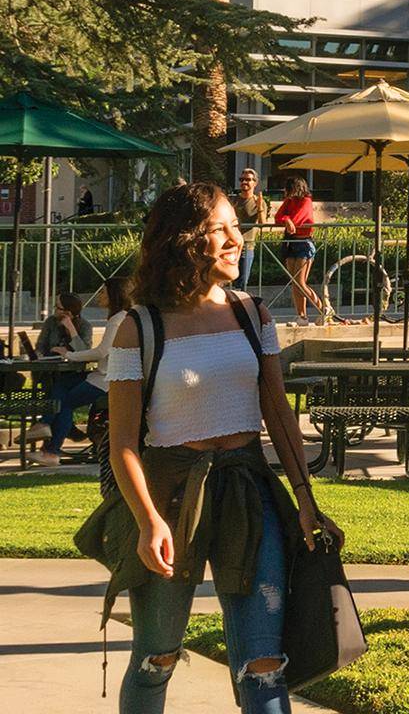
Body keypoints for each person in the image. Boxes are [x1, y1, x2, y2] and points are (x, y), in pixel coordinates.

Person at [100, 181, 343, 712]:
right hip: (169, 499)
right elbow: (122, 443)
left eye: (238, 225)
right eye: (223, 228)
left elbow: (278, 413)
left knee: (264, 667)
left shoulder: (253, 313)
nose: (238, 238)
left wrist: (305, 498)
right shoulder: (137, 328)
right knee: (155, 658)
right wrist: (147, 522)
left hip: (248, 491)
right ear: (186, 241)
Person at [27, 276, 132, 466]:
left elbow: (99, 352)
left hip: (105, 378)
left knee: (65, 403)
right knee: (61, 385)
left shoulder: (114, 321)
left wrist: (69, 353)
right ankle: (43, 425)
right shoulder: (51, 323)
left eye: (103, 292)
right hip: (100, 373)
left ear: (113, 295)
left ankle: (51, 451)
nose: (99, 296)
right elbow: (41, 344)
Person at [273, 177, 319, 324]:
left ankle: (323, 309)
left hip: (304, 243)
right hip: (291, 243)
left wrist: (288, 220)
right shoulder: (289, 201)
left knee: (300, 281)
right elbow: (278, 217)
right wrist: (286, 219)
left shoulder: (306, 201)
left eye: (288, 188)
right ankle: (302, 315)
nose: (286, 192)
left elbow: (298, 220)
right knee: (294, 282)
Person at [233, 168, 272, 292]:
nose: (244, 182)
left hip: (247, 246)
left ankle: (240, 307)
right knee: (228, 279)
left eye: (248, 180)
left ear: (255, 183)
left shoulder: (258, 202)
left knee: (242, 281)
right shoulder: (233, 200)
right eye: (242, 179)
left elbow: (262, 224)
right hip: (232, 245)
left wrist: (260, 207)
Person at [37, 290, 95, 358]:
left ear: (68, 312)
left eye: (58, 308)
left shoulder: (85, 326)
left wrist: (71, 329)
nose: (55, 309)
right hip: (50, 363)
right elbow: (40, 346)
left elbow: (84, 352)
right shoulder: (51, 321)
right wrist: (51, 350)